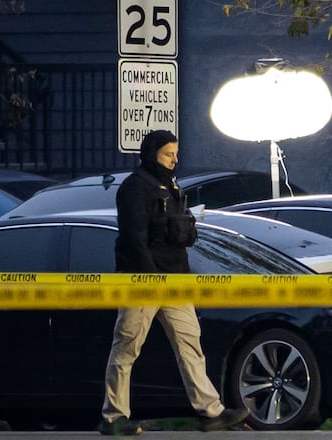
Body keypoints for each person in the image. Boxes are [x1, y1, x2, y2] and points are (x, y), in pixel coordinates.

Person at [98, 130, 248, 436]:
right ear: (153, 154)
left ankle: (212, 412)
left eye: (176, 154)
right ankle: (113, 417)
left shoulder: (170, 185)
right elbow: (133, 238)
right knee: (127, 347)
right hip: (144, 281)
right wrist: (150, 276)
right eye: (169, 154)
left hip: (175, 281)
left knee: (191, 345)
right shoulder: (135, 188)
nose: (175, 160)